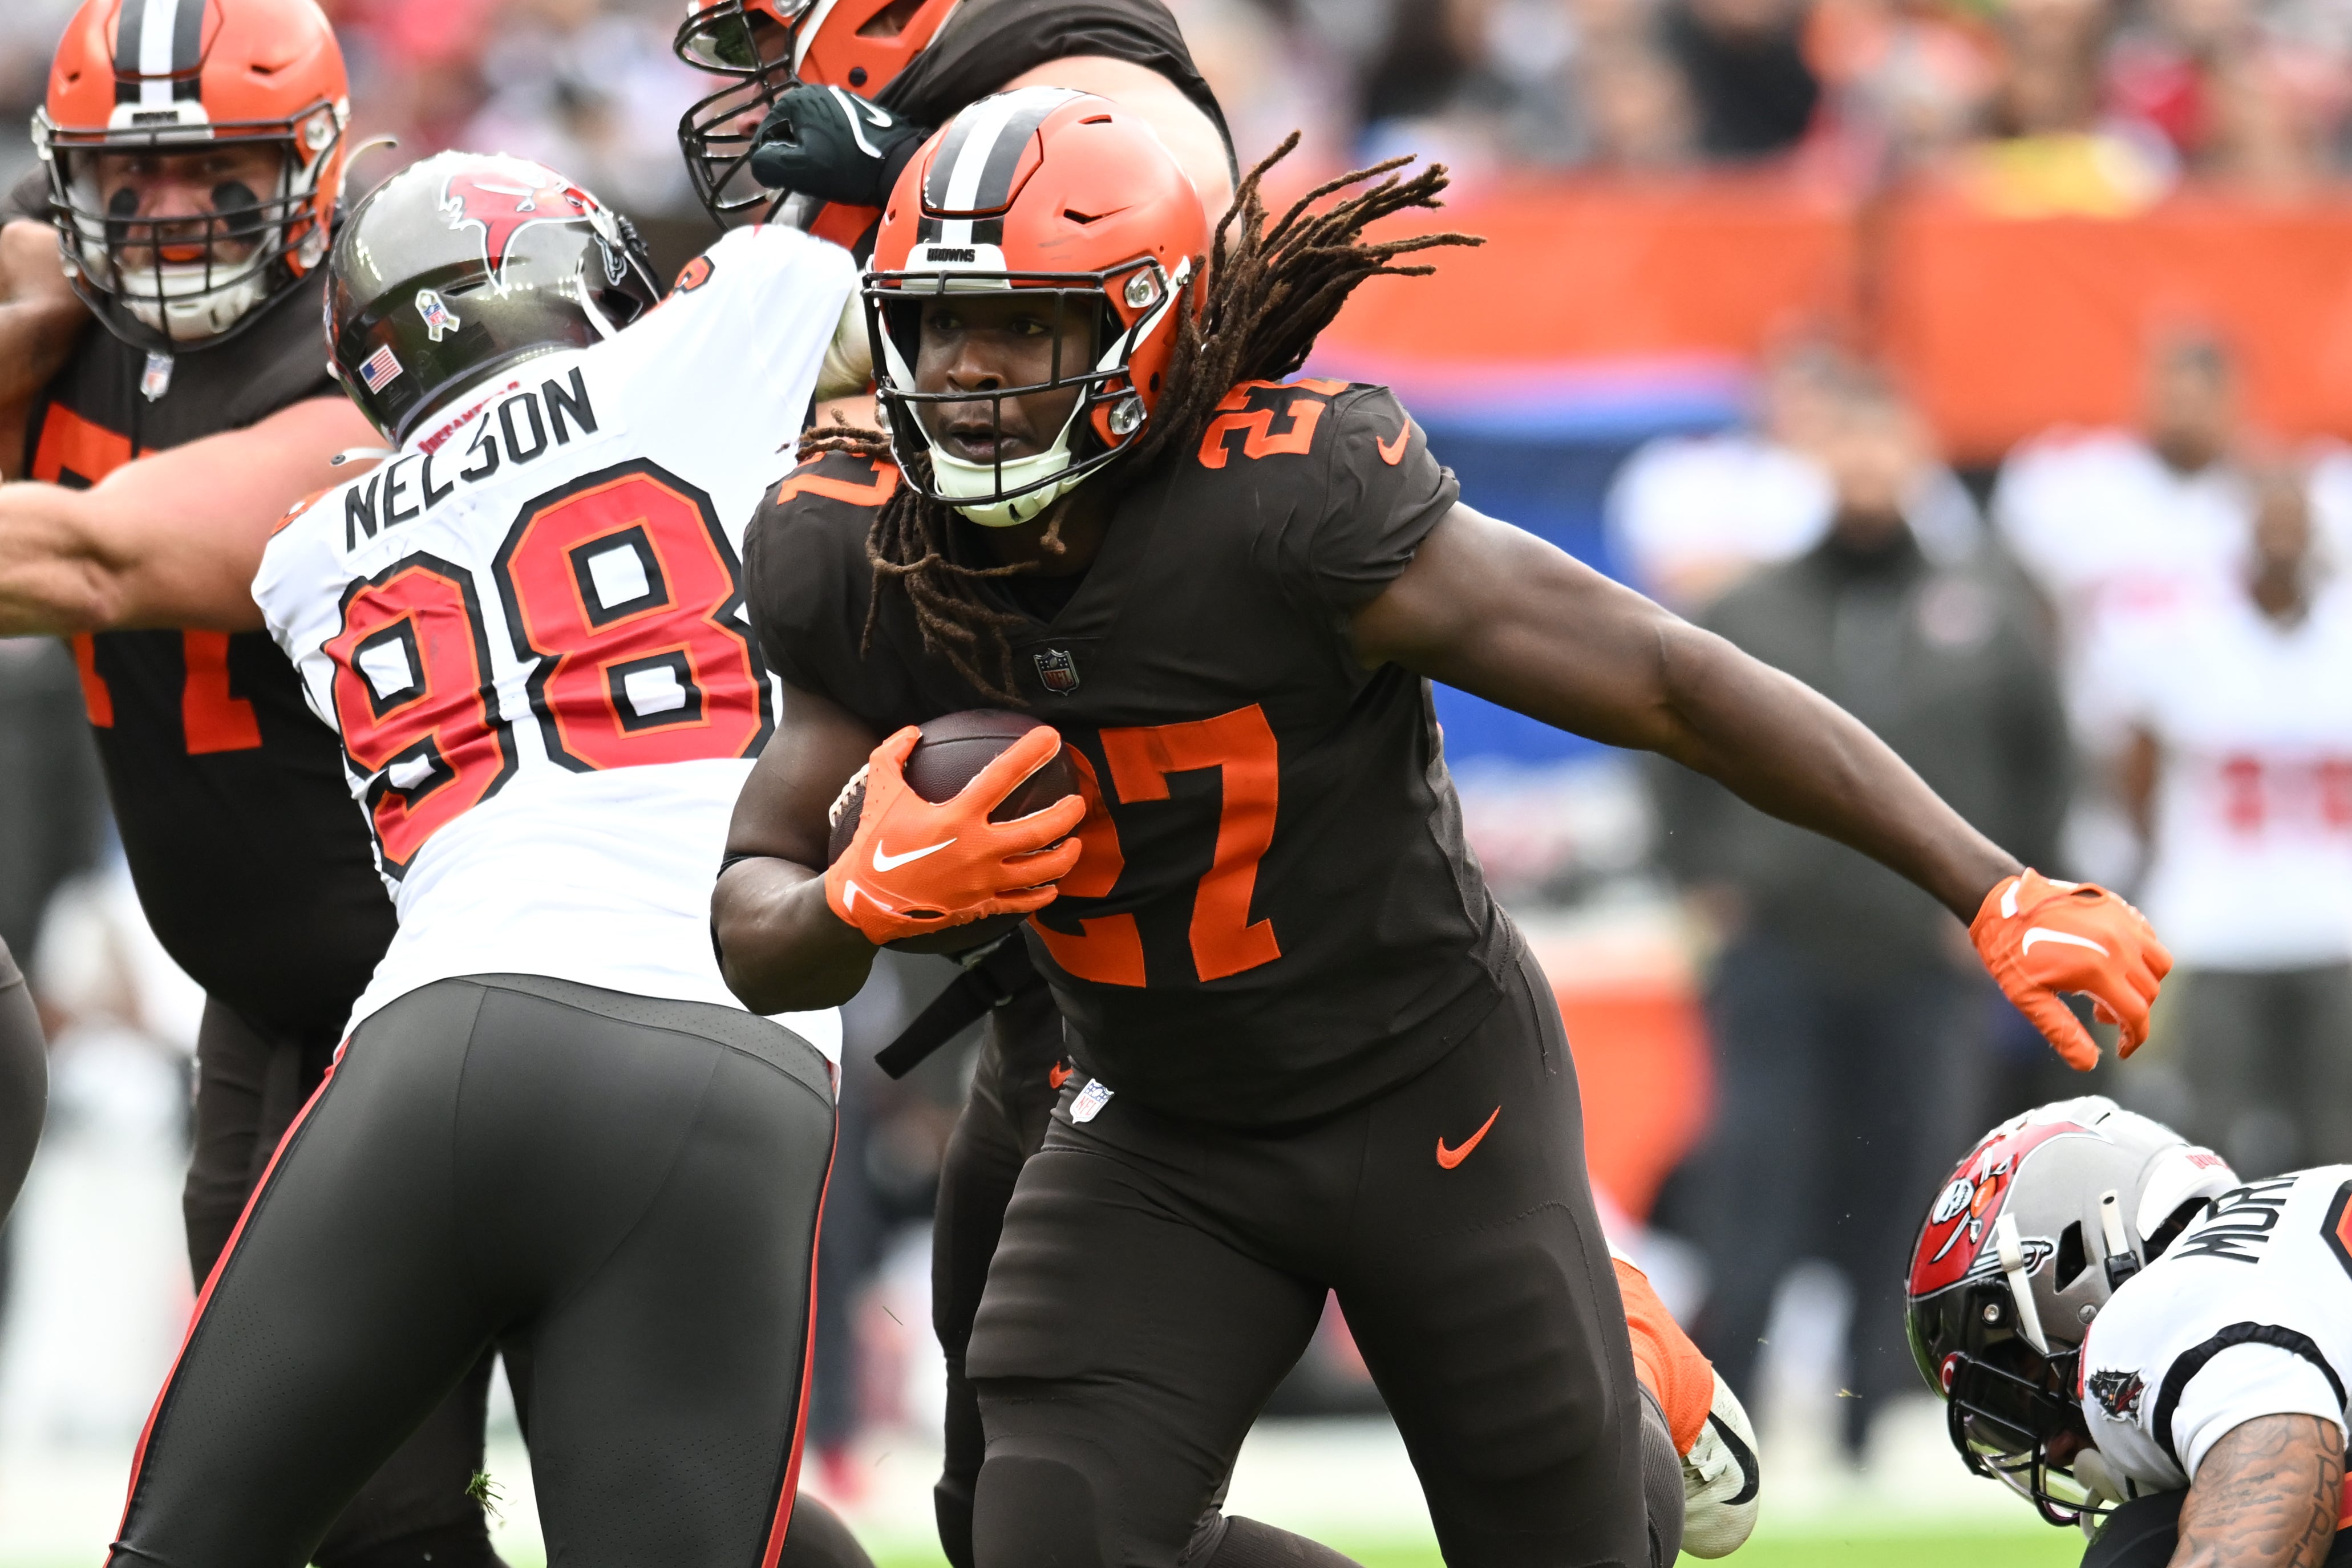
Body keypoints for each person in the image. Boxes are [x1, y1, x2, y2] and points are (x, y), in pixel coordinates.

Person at [713, 88, 2170, 1568]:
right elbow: (753, 919)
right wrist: (852, 899)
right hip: (1155, 1116)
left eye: (1019, 328)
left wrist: (1987, 884)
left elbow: (1666, 681)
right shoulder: (858, 550)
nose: (964, 374)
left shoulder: (1285, 504)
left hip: (1426, 1094)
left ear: (1144, 329)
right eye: (935, 327)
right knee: (1041, 1543)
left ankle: (1627, 1365)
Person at [707, 7, 1767, 1557]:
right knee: (1007, 1508)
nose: (758, 90)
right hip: (1060, 936)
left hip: (1250, 928)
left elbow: (1180, 256)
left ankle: (1584, 1325)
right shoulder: (844, 477)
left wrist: (923, 187)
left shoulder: (1076, 95)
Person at [109, 148, 870, 1567]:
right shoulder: (715, 338)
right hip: (728, 1035)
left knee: (182, 1548)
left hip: (439, 1030)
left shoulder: (309, 559)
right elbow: (941, 342)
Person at [0, 5, 509, 1560]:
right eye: (128, 174)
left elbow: (94, 555)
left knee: (629, 1508)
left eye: (214, 167)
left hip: (467, 994)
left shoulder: (378, 351)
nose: (167, 211)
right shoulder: (70, 320)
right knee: (321, 1508)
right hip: (269, 1002)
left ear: (314, 166)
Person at [1652, 371, 2072, 1457]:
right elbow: (1666, 731)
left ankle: (1875, 1414)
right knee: (1758, 1176)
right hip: (1778, 942)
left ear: (1916, 455)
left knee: (1911, 1183)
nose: (1865, 469)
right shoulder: (1750, 606)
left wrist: (2001, 897)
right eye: (1847, 447)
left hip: (1920, 947)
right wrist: (1703, 875)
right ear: (1817, 461)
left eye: (1883, 446)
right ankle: (1726, 1407)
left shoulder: (1983, 609)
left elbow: (2044, 763)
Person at [1907, 1095, 2350, 1567]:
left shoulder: (2153, 1313)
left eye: (2029, 1389)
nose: (2056, 1449)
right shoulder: (2283, 1235)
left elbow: (2278, 1473)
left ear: (2078, 1261)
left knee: (2138, 1547)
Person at [2095, 467, 2352, 1175]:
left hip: (2335, 925)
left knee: (2338, 1143)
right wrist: (2173, 857)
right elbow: (2136, 768)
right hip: (2217, 926)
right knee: (2214, 1143)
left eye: (2293, 524)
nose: (2281, 541)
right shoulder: (2186, 638)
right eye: (2269, 524)